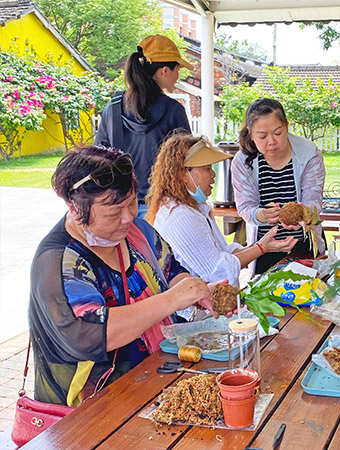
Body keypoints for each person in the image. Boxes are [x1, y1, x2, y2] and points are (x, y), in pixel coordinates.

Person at [29, 145, 220, 407]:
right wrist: (173, 299)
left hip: (153, 382)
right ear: (74, 209)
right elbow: (92, 334)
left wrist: (192, 290)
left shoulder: (136, 231)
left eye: (131, 203)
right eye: (113, 212)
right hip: (93, 409)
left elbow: (170, 270)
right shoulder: (59, 262)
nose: (128, 217)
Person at [146, 134, 297, 287]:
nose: (213, 174)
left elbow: (224, 253)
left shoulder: (193, 207)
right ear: (183, 174)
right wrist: (261, 248)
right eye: (206, 168)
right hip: (198, 309)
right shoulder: (179, 216)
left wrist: (262, 246)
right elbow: (218, 271)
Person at [95, 35, 193, 218]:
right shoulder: (173, 111)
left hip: (120, 210)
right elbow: (187, 163)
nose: (177, 77)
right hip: (162, 209)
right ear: (164, 70)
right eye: (177, 69)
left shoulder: (114, 107)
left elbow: (97, 158)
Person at [231, 98, 326, 274]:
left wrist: (303, 214)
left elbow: (314, 201)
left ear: (286, 127)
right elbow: (245, 208)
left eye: (277, 132)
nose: (271, 141)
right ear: (251, 134)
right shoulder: (242, 161)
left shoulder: (308, 153)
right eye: (262, 136)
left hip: (304, 246)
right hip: (266, 247)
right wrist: (261, 214)